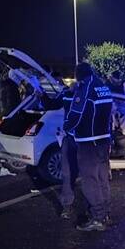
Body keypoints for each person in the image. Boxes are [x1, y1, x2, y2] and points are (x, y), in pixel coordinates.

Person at [63, 63, 113, 232]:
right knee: (102, 179)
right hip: (103, 141)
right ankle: (105, 214)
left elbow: (76, 114)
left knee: (90, 181)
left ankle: (98, 218)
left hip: (88, 142)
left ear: (78, 75)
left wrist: (66, 127)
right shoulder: (103, 87)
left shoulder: (86, 88)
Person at [38, 83, 78, 219]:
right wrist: (42, 95)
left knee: (91, 177)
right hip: (70, 138)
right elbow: (52, 105)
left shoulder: (90, 94)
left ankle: (98, 212)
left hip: (86, 140)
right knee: (67, 174)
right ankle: (67, 206)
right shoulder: (67, 94)